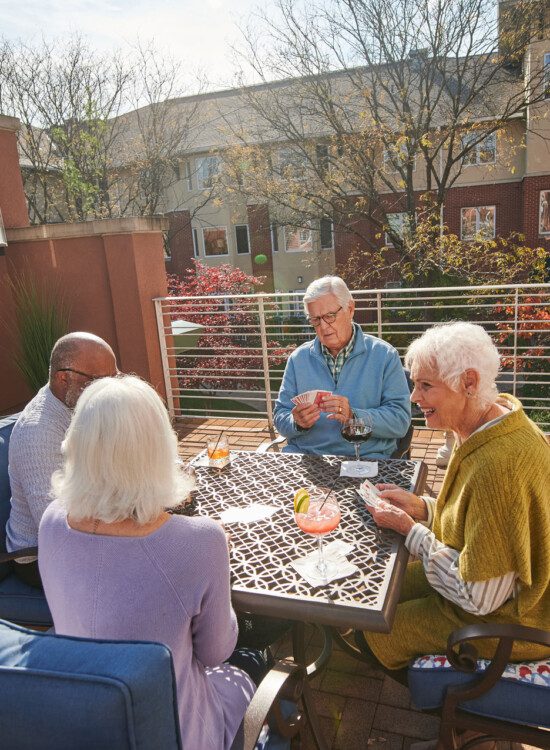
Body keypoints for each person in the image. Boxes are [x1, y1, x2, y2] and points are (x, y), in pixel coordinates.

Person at [38, 375, 259, 750]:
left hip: (90, 725)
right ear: (160, 448)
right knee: (248, 666)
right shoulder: (201, 539)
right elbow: (216, 652)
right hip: (175, 734)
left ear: (78, 444)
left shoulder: (52, 522)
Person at [362, 322, 550, 679]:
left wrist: (411, 530)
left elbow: (477, 597)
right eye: (415, 384)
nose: (414, 398)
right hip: (492, 587)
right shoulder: (493, 424)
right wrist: (424, 509)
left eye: (426, 386)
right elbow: (479, 521)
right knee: (379, 591)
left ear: (469, 383)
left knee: (375, 628)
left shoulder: (500, 466)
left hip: (509, 618)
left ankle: (453, 710)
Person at [6, 332, 118, 587]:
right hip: (39, 557)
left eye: (115, 378)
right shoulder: (39, 432)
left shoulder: (80, 405)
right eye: (100, 381)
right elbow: (57, 527)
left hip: (91, 527)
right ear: (64, 378)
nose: (111, 390)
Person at [274, 276, 411, 457]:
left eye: (330, 316)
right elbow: (280, 416)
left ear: (350, 309)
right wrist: (296, 422)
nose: (323, 327)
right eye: (315, 320)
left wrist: (355, 416)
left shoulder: (384, 355)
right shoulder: (298, 359)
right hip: (307, 458)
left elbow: (400, 422)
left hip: (365, 459)